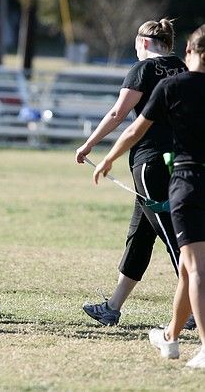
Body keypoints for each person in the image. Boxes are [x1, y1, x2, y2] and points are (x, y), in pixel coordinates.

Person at [93, 25, 205, 368]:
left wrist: (104, 156)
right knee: (143, 236)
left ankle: (197, 332)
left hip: (178, 173)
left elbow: (130, 125)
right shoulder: (177, 72)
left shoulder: (167, 82)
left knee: (191, 263)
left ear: (189, 50)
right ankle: (146, 323)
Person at [76, 19, 189, 326]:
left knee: (176, 239)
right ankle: (112, 307)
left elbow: (118, 114)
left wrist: (89, 145)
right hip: (180, 160)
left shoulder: (142, 70)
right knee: (140, 236)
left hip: (150, 163)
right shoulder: (182, 67)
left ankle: (194, 306)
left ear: (144, 43)